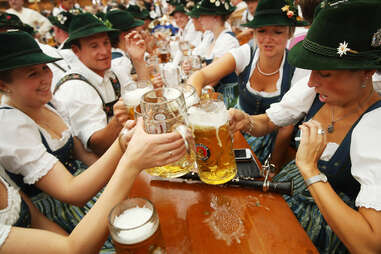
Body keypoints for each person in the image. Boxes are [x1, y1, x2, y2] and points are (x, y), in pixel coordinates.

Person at [229, 1, 381, 253]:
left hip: (323, 228)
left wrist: (310, 170)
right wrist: (246, 121)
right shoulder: (314, 92)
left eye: (325, 73)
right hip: (283, 195)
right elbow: (268, 122)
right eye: (311, 71)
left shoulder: (375, 127)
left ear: (366, 72)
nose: (311, 81)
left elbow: (369, 244)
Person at [0, 118, 186, 253]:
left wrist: (123, 143)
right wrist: (130, 162)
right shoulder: (11, 126)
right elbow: (72, 248)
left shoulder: (48, 107)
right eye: (31, 74)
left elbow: (37, 219)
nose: (44, 78)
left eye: (45, 69)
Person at [189, 0, 309, 167]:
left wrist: (272, 167)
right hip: (236, 124)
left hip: (270, 139)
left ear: (290, 33)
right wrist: (191, 103)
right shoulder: (246, 54)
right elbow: (200, 76)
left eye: (278, 32)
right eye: (261, 31)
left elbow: (285, 128)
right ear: (253, 33)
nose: (268, 39)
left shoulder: (298, 70)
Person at [53, 13, 131, 156]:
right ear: (77, 51)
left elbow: (142, 103)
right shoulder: (74, 87)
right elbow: (97, 145)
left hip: (125, 149)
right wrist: (117, 121)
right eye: (94, 46)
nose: (104, 51)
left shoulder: (113, 72)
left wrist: (139, 61)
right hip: (100, 166)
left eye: (106, 43)